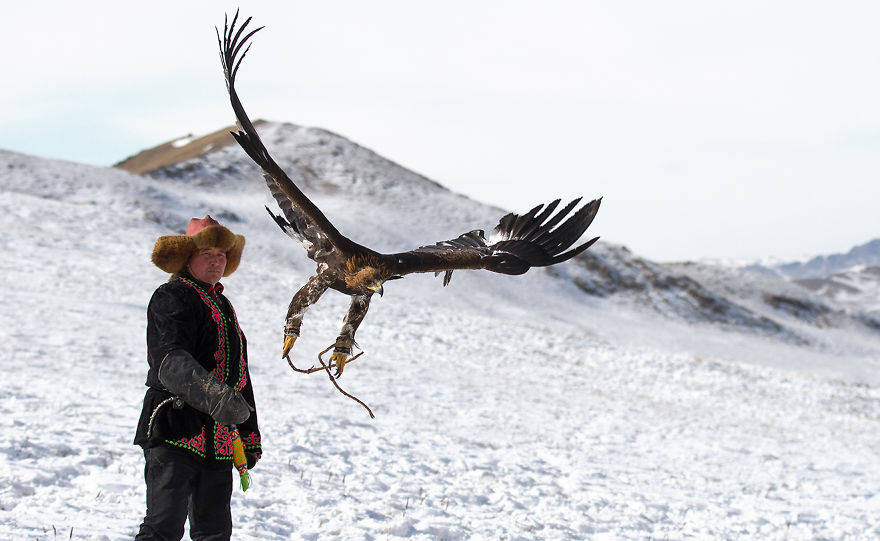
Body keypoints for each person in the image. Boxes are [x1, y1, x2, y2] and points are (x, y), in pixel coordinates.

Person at [134, 215, 262, 540]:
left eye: (222, 254)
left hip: (219, 441)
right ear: (187, 256)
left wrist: (248, 435)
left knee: (215, 533)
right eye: (208, 253)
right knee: (162, 527)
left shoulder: (224, 306)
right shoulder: (171, 296)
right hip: (175, 429)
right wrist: (220, 399)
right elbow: (169, 360)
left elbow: (239, 377)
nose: (216, 260)